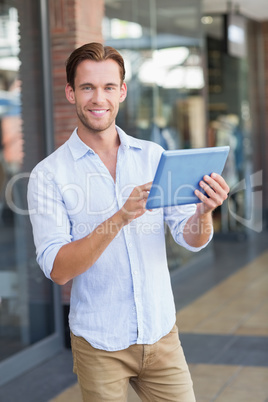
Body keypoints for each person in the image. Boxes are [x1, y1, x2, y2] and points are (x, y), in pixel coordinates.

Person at [27, 42, 229, 402]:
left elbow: (190, 238)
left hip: (161, 334)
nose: (98, 98)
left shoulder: (153, 156)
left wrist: (203, 212)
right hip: (100, 343)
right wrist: (119, 217)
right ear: (71, 92)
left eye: (108, 87)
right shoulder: (49, 175)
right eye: (87, 87)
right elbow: (58, 270)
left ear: (121, 91)